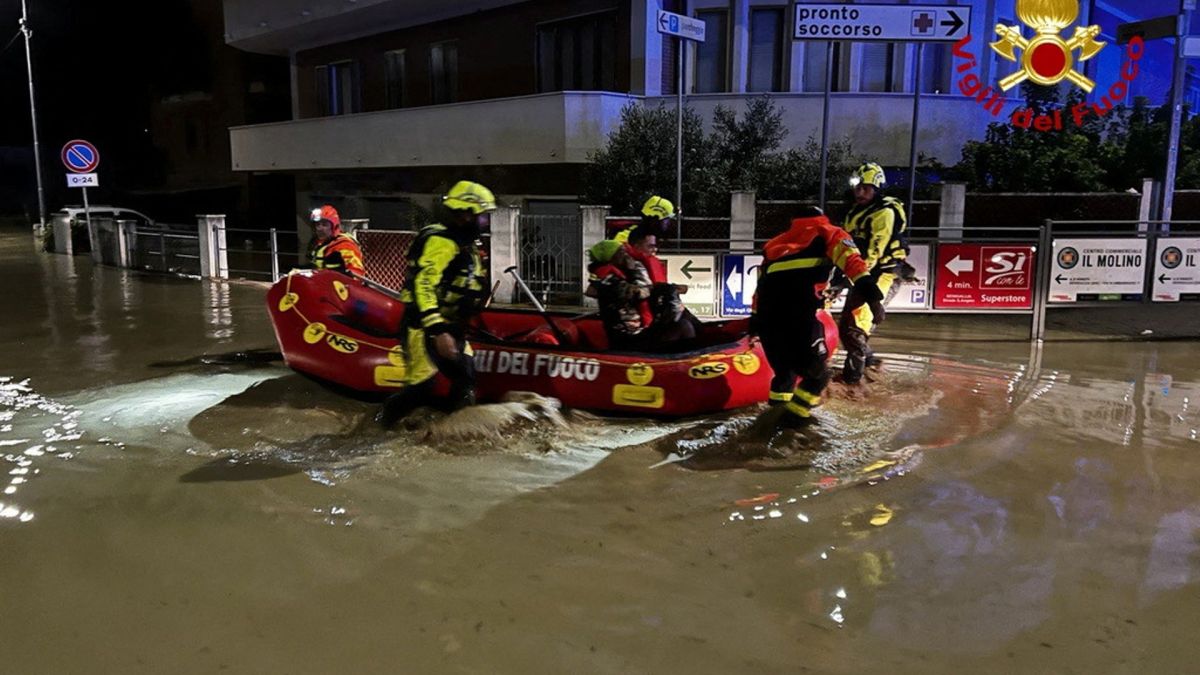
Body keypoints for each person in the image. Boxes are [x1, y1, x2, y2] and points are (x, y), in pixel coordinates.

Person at [750, 206, 885, 428]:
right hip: (799, 315)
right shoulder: (828, 232)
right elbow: (854, 266)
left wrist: (754, 322)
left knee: (784, 375)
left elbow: (760, 287)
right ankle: (794, 420)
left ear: (794, 221)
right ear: (821, 217)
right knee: (819, 375)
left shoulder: (773, 244)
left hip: (767, 318)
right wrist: (874, 300)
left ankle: (771, 419)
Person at [376, 181, 494, 428]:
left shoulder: (466, 245)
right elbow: (424, 285)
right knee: (422, 387)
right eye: (482, 215)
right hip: (424, 325)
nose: (486, 221)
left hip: (451, 324)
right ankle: (383, 423)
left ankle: (456, 431)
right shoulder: (441, 242)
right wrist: (438, 330)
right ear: (464, 214)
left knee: (466, 376)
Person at [836, 162, 911, 384]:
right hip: (863, 276)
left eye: (866, 188)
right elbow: (845, 247)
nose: (859, 192)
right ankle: (871, 364)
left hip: (882, 275)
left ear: (877, 188)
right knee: (846, 327)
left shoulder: (884, 213)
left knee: (855, 329)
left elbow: (873, 254)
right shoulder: (855, 212)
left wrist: (845, 280)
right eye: (858, 188)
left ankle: (853, 385)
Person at [306, 204, 365, 276]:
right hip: (319, 283)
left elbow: (357, 273)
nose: (320, 228)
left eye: (324, 225)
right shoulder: (315, 243)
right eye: (317, 225)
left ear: (334, 226)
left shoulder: (345, 245)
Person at [611, 195, 676, 245]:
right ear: (655, 218)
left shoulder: (653, 238)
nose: (669, 223)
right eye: (666, 219)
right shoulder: (625, 239)